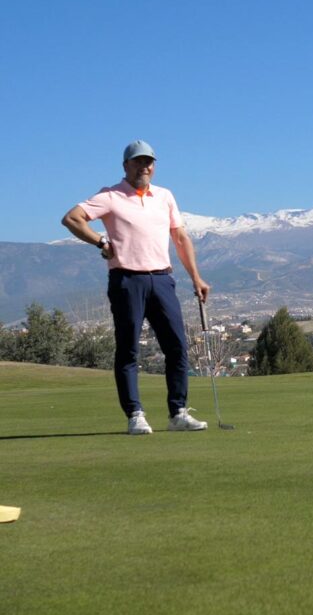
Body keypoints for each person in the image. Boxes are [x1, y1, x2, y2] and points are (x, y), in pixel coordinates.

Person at [62, 140, 212, 434]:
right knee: (128, 350)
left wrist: (196, 277)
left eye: (149, 162)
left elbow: (180, 239)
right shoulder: (110, 196)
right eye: (138, 161)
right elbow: (71, 219)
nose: (145, 167)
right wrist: (101, 241)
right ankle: (135, 415)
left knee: (178, 347)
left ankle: (178, 413)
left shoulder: (165, 196)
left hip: (162, 279)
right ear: (126, 165)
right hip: (127, 280)